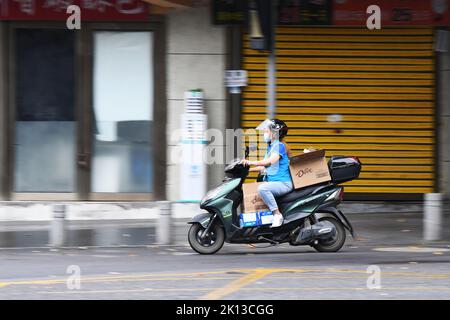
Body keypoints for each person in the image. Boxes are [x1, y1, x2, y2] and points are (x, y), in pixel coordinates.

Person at [242, 119, 293, 228]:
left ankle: (277, 214)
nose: (264, 133)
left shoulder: (280, 146)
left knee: (262, 188)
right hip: (275, 182)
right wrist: (246, 170)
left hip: (283, 183)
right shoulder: (271, 147)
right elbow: (264, 166)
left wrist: (251, 162)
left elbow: (270, 161)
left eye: (267, 131)